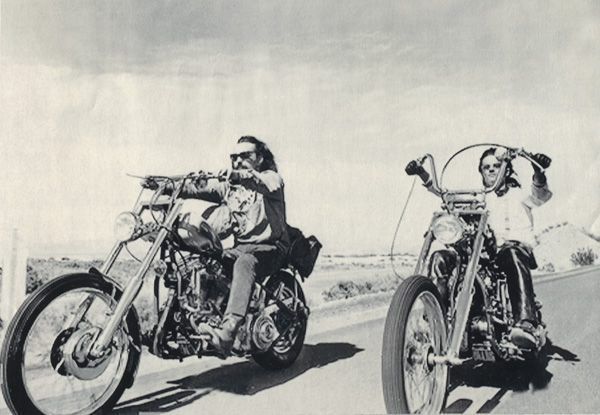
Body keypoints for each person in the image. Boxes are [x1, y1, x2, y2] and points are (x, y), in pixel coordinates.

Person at [144, 136, 289, 354]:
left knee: (245, 262)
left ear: (260, 158)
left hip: (270, 248)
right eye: (234, 157)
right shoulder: (229, 188)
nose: (238, 161)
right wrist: (162, 185)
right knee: (202, 261)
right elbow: (193, 188)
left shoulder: (271, 179)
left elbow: (264, 182)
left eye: (245, 156)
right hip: (241, 248)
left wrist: (238, 175)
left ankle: (228, 331)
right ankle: (185, 321)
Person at [405, 148, 552, 348]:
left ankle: (525, 324)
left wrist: (538, 169)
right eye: (486, 167)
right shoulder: (480, 198)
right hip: (480, 254)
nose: (491, 170)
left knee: (512, 253)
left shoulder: (520, 194)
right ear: (481, 172)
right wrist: (422, 173)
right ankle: (435, 321)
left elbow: (540, 194)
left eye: (496, 166)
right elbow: (444, 195)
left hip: (511, 252)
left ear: (506, 169)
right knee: (440, 258)